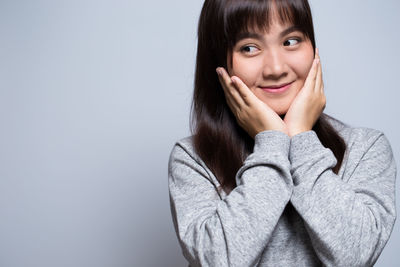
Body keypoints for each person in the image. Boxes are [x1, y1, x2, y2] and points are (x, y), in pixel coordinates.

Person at [167, 0, 397, 266]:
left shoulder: (364, 148)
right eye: (249, 48)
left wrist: (300, 137)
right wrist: (272, 143)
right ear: (219, 62)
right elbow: (220, 260)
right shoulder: (194, 158)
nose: (276, 69)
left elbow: (357, 255)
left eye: (290, 41)